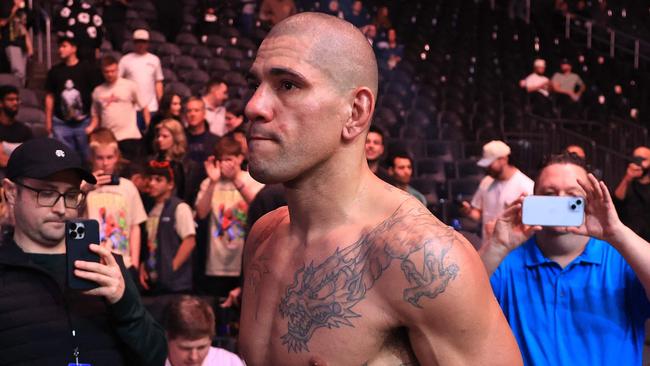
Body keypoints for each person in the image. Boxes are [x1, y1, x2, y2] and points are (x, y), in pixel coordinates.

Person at [239, 12, 522, 365]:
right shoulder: (264, 237)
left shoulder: (423, 256)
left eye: (288, 85)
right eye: (255, 85)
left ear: (355, 112)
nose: (253, 107)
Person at [0, 137, 166, 365]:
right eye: (46, 193)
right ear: (10, 192)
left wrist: (125, 305)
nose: (61, 209)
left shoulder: (107, 267)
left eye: (70, 196)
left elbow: (155, 357)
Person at [479, 153, 650, 365]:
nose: (560, 201)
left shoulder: (621, 261)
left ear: (588, 202)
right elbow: (456, 308)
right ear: (533, 200)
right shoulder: (507, 263)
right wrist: (496, 247)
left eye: (573, 195)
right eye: (549, 194)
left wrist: (617, 232)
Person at [195, 136, 264, 298]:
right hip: (216, 261)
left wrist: (235, 179)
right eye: (221, 160)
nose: (225, 164)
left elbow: (260, 207)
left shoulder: (252, 179)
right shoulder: (209, 182)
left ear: (240, 158)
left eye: (229, 159)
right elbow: (201, 213)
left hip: (245, 258)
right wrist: (212, 183)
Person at [84, 128, 147, 275]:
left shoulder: (128, 187)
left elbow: (135, 226)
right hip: (92, 262)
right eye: (100, 158)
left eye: (109, 157)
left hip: (124, 262)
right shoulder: (83, 186)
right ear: (92, 158)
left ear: (117, 156)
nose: (105, 163)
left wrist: (135, 263)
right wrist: (86, 188)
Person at [140, 160, 196, 297]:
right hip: (154, 282)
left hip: (175, 286)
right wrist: (143, 267)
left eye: (158, 180)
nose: (152, 183)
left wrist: (172, 268)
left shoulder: (179, 208)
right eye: (150, 179)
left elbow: (190, 241)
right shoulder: (150, 209)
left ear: (170, 184)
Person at [461, 140, 534, 246]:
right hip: (487, 245)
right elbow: (478, 214)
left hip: (512, 249)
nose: (487, 167)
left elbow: (529, 224)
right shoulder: (486, 182)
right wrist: (468, 211)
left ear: (503, 159)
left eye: (490, 163)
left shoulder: (526, 185)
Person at [45, 37, 102, 162]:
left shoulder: (87, 69)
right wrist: (48, 120)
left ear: (74, 48)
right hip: (61, 122)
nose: (60, 49)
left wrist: (95, 120)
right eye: (59, 47)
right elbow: (50, 96)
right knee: (63, 158)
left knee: (87, 158)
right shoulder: (55, 71)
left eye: (64, 46)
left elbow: (97, 94)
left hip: (83, 121)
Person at [89, 55, 147, 161]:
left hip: (129, 136)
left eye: (113, 71)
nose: (110, 74)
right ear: (102, 72)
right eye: (107, 72)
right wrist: (90, 129)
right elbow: (96, 116)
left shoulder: (130, 86)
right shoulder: (98, 91)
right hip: (108, 140)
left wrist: (148, 127)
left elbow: (144, 107)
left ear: (118, 69)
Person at [163, 295, 245, 366]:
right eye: (186, 348)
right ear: (168, 338)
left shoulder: (229, 362)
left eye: (201, 347)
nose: (194, 357)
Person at [118, 29, 163, 134]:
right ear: (134, 42)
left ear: (148, 43)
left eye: (143, 41)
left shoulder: (154, 60)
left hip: (152, 107)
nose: (141, 44)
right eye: (138, 41)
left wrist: (159, 101)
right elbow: (119, 82)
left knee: (151, 137)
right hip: (132, 108)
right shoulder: (125, 60)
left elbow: (158, 82)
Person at [153, 118, 201, 205]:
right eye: (158, 136)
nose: (159, 139)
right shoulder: (153, 162)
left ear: (176, 138)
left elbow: (187, 194)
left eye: (165, 136)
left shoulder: (187, 165)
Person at [614, 146, 650, 241]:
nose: (638, 162)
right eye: (635, 158)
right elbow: (617, 201)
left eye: (642, 159)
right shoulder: (625, 181)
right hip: (630, 239)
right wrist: (627, 178)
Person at [0, 85, 32, 175]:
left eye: (17, 99)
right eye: (10, 100)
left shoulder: (25, 129)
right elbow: (1, 160)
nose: (15, 102)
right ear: (1, 103)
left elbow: (31, 156)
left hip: (21, 173)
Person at [0, 0, 33, 86]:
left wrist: (29, 46)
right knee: (19, 72)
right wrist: (15, 8)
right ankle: (16, 93)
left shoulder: (24, 6)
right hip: (11, 42)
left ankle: (19, 94)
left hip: (22, 43)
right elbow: (2, 22)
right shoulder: (5, 3)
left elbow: (24, 28)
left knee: (24, 75)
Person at [145, 92, 183, 156]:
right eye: (175, 104)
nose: (179, 107)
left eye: (179, 104)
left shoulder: (179, 120)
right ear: (167, 105)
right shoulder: (156, 121)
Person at [185, 97, 220, 166]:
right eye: (189, 111)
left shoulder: (216, 141)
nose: (192, 114)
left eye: (196, 110)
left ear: (204, 113)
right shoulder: (179, 139)